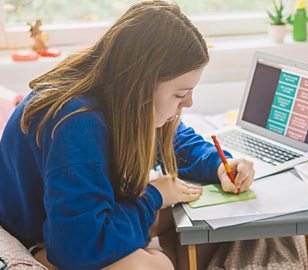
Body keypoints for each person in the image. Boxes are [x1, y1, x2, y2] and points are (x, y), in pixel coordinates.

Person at [0, 1, 255, 269]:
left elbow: (174, 139)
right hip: (41, 238)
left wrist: (219, 164)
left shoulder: (116, 96)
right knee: (157, 264)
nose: (189, 103)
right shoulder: (76, 124)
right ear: (141, 85)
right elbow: (78, 246)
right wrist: (153, 196)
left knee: (190, 208)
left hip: (77, 225)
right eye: (180, 94)